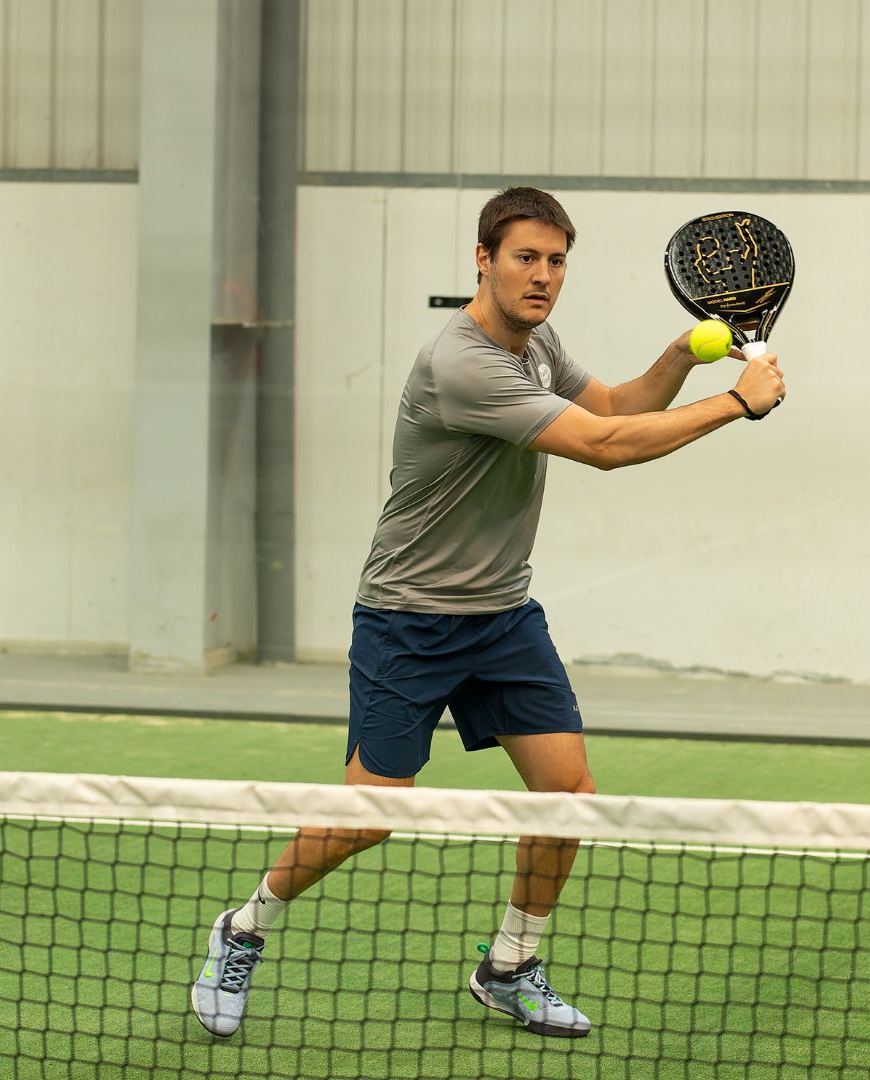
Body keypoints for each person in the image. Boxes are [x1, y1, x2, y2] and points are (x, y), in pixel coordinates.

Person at [191, 187, 786, 1040]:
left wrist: (682, 356)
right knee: (371, 814)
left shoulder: (537, 341)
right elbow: (601, 449)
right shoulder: (462, 363)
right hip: (410, 618)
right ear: (483, 259)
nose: (543, 277)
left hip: (502, 617)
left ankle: (510, 964)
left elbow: (612, 408)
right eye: (524, 258)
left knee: (566, 798)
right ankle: (243, 927)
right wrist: (738, 402)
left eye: (556, 261)